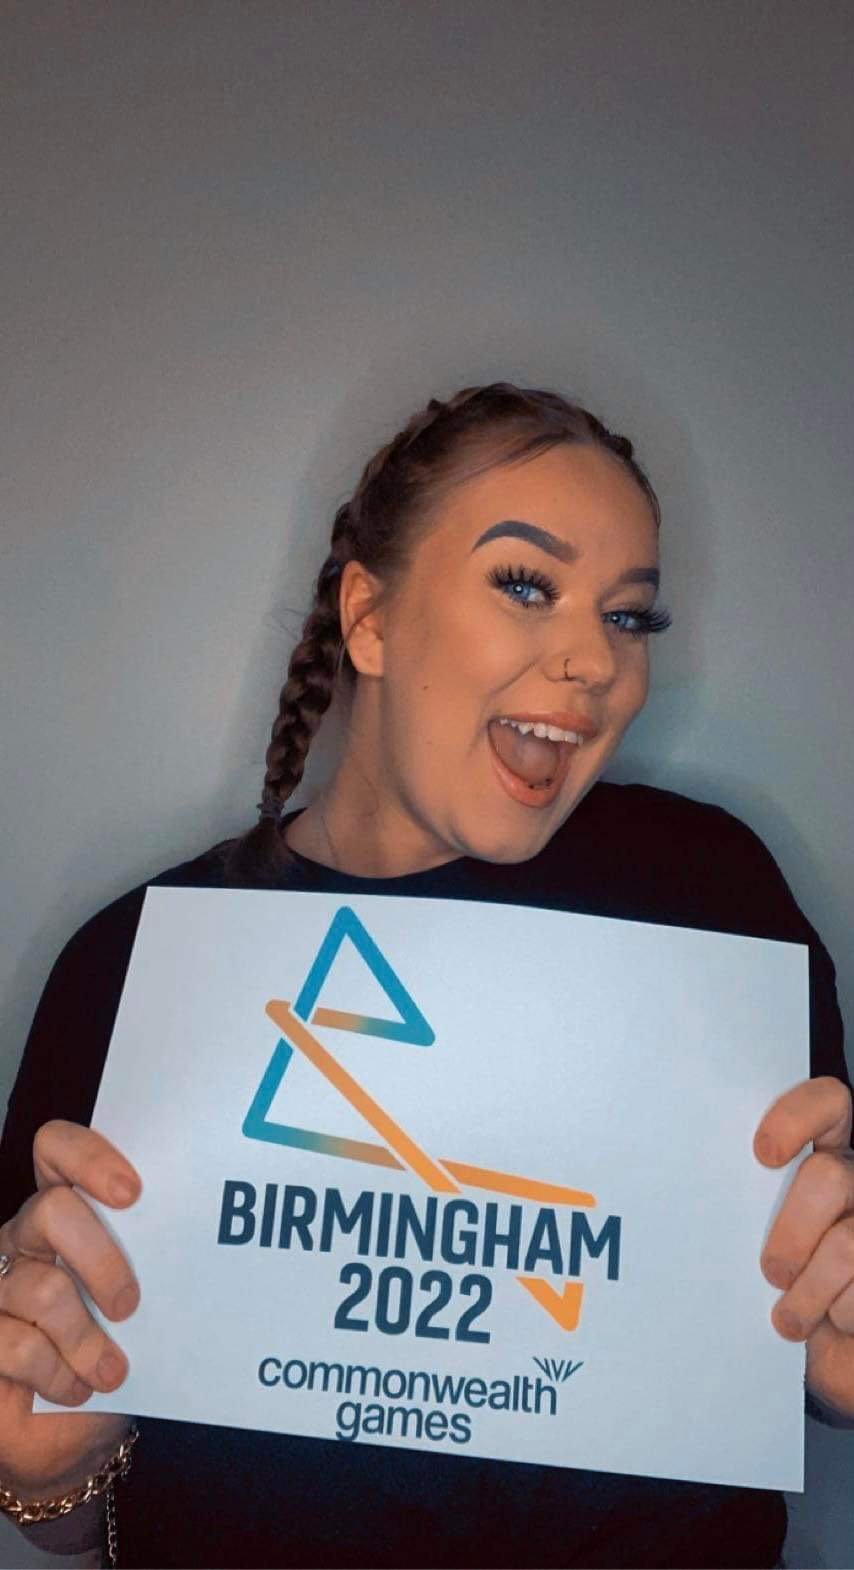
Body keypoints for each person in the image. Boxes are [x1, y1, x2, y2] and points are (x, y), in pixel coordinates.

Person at [1, 381, 852, 1570]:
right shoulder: (135, 964)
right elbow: (67, 1504)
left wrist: (831, 1343)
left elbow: (798, 1353)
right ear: (370, 617)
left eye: (628, 616)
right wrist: (43, 1470)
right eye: (525, 583)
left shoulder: (711, 898)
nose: (594, 660)